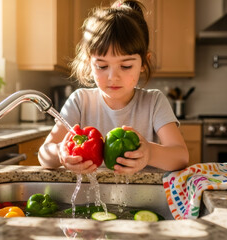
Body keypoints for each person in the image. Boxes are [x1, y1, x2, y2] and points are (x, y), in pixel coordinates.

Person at [38, 0, 189, 174]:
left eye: (125, 66)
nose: (113, 77)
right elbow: (44, 153)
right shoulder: (80, 101)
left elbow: (181, 156)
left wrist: (150, 153)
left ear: (143, 63)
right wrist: (60, 153)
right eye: (102, 66)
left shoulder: (154, 102)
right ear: (89, 63)